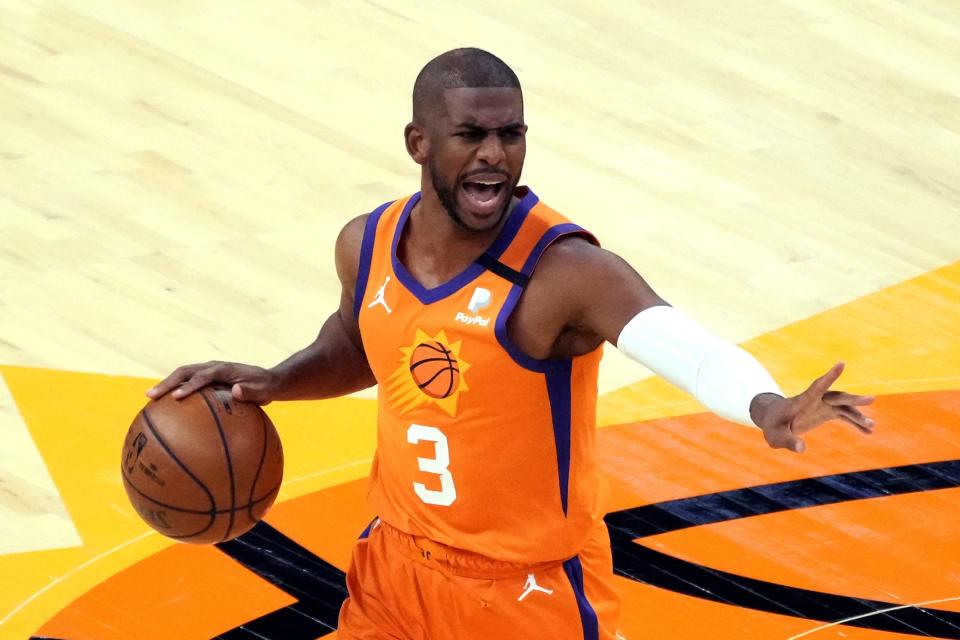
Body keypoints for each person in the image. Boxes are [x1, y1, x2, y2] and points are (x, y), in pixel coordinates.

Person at [147, 48, 875, 640]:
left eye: (512, 134)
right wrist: (277, 379)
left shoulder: (563, 273)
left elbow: (678, 341)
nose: (495, 155)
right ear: (419, 143)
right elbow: (362, 341)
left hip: (528, 599)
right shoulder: (365, 244)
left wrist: (764, 405)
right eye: (472, 136)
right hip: (396, 574)